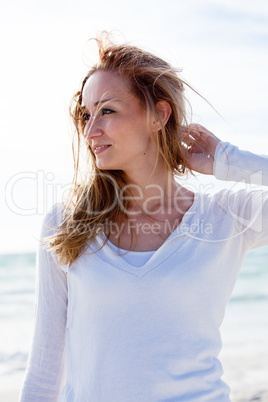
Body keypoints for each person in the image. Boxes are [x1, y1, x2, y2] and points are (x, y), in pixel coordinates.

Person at [19, 34, 268, 401]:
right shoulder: (66, 224)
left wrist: (226, 160)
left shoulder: (226, 216)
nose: (90, 131)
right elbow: (44, 370)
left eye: (107, 110)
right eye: (86, 115)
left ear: (159, 114)